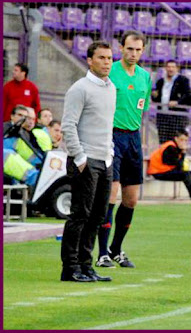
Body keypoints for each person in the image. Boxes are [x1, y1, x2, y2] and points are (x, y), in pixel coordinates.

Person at [60, 41, 116, 283]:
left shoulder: (111, 88)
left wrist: (110, 152)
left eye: (109, 58)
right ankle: (70, 268)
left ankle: (86, 265)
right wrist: (80, 157)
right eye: (102, 58)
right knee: (79, 215)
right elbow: (68, 125)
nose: (107, 62)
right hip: (85, 160)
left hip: (105, 160)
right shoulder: (79, 89)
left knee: (97, 216)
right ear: (90, 60)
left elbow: (106, 124)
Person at [96, 30, 152, 269]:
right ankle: (101, 252)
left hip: (133, 138)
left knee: (131, 200)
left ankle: (117, 249)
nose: (134, 53)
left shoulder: (144, 77)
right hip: (112, 136)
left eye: (138, 49)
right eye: (130, 48)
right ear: (121, 48)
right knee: (111, 193)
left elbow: (142, 108)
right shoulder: (111, 72)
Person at [147, 130, 191, 203]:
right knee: (185, 174)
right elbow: (179, 166)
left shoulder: (174, 147)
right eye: (181, 140)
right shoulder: (170, 147)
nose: (184, 142)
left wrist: (182, 152)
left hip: (164, 170)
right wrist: (183, 153)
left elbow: (178, 166)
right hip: (158, 172)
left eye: (186, 140)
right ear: (176, 139)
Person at [151, 59, 191, 144]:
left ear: (177, 68)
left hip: (177, 117)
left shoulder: (183, 80)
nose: (170, 69)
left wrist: (177, 102)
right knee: (163, 142)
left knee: (175, 142)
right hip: (162, 116)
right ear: (165, 68)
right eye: (168, 67)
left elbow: (188, 96)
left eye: (173, 67)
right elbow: (157, 98)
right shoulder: (160, 81)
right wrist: (154, 96)